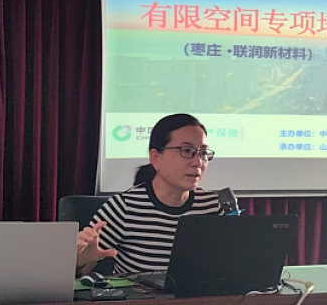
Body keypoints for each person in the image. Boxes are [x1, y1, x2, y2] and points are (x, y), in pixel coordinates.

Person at [76, 113, 224, 274]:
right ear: (156, 158)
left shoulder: (212, 205)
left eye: (203, 153)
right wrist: (81, 260)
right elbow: (79, 273)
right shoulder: (124, 207)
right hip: (138, 292)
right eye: (187, 151)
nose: (198, 162)